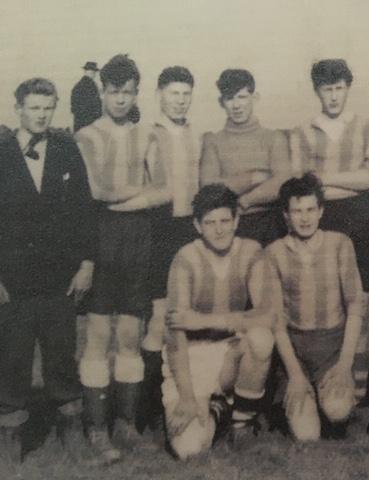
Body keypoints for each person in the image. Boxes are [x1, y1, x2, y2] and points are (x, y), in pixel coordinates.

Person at [0, 78, 96, 464]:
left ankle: (70, 431)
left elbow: (84, 211)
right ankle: (10, 439)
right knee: (12, 358)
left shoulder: (66, 149)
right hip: (13, 283)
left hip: (60, 278)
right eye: (33, 107)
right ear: (18, 108)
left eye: (47, 107)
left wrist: (87, 263)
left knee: (60, 357)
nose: (40, 115)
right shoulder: (1, 153)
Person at [109, 66, 201, 443]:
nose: (179, 100)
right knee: (157, 318)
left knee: (183, 316)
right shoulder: (146, 134)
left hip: (189, 230)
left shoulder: (196, 136)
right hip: (156, 230)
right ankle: (141, 408)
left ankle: (180, 396)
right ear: (160, 94)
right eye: (173, 93)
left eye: (185, 94)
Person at [288, 59, 369, 400]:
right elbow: (301, 185)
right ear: (316, 91)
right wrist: (349, 181)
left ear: (348, 88)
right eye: (326, 89)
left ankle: (356, 390)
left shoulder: (367, 128)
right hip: (321, 221)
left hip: (359, 220)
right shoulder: (303, 133)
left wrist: (323, 180)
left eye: (339, 88)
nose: (333, 96)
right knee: (328, 302)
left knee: (358, 301)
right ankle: (325, 384)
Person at [75, 54, 152, 463]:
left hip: (138, 239)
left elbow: (166, 192)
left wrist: (126, 195)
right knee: (99, 334)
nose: (121, 99)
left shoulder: (146, 135)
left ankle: (126, 423)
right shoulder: (86, 135)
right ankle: (96, 428)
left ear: (136, 93)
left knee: (130, 334)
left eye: (128, 92)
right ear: (102, 92)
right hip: (101, 237)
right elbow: (94, 193)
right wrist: (134, 195)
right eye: (114, 91)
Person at [162, 184, 274, 460]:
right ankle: (216, 408)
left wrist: (205, 320)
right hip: (192, 356)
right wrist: (187, 397)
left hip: (230, 352)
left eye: (225, 220)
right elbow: (175, 335)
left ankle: (241, 421)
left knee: (261, 338)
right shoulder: (185, 258)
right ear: (197, 226)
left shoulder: (251, 251)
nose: (219, 229)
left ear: (236, 220)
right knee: (189, 450)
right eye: (210, 223)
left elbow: (268, 314)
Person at [267, 173, 366, 441]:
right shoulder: (274, 253)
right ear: (286, 215)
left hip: (332, 345)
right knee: (306, 436)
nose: (305, 217)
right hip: (296, 348)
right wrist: (295, 374)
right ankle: (298, 392)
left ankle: (330, 397)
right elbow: (276, 320)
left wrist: (345, 364)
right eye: (297, 211)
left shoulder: (339, 244)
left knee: (337, 410)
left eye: (311, 209)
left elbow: (356, 306)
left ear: (321, 211)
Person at [200, 68, 290, 247]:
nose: (236, 105)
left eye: (241, 97)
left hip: (271, 224)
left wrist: (244, 200)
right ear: (221, 102)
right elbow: (210, 189)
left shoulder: (274, 138)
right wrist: (255, 177)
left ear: (254, 98)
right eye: (229, 98)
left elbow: (283, 182)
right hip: (230, 228)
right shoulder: (213, 141)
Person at [71, 61, 102, 132]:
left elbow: (73, 108)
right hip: (90, 124)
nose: (94, 74)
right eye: (93, 72)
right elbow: (96, 106)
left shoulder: (77, 86)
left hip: (78, 124)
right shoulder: (92, 86)